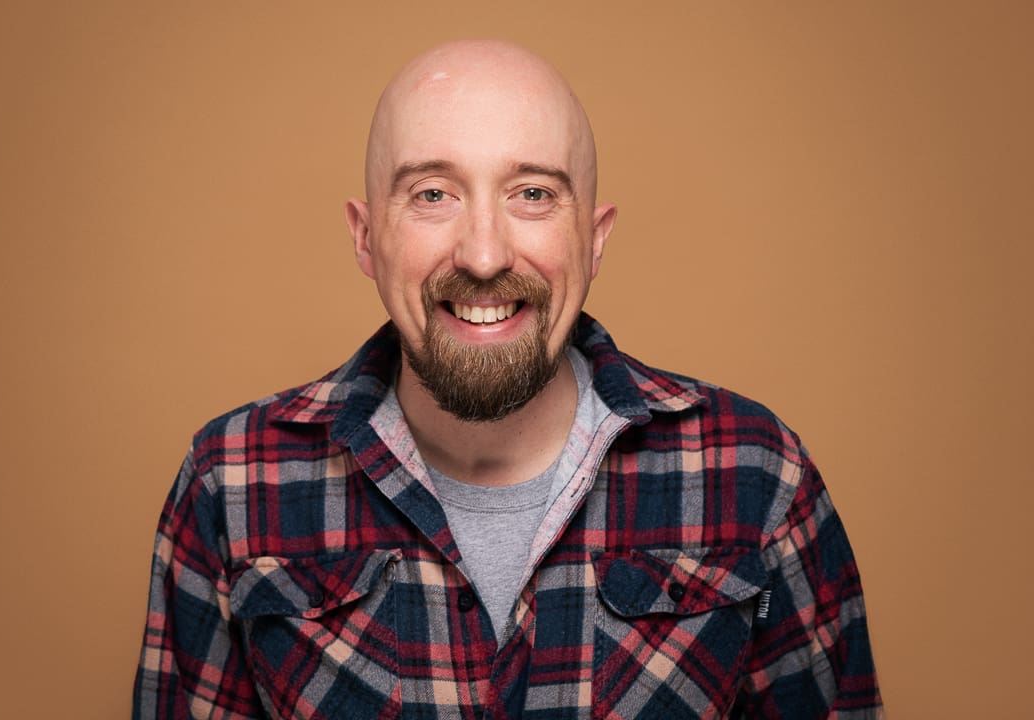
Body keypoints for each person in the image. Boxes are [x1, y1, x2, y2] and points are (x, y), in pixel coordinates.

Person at [134, 40, 882, 719]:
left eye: (533, 194)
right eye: (432, 193)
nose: (485, 255)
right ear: (367, 238)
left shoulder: (754, 478)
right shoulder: (230, 488)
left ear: (594, 240)